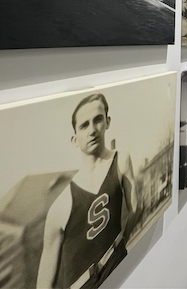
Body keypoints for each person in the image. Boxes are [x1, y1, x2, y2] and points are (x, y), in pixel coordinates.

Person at [37, 94, 139, 289]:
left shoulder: (121, 162)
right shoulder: (61, 205)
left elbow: (135, 207)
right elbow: (44, 283)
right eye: (84, 125)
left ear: (107, 122)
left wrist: (121, 246)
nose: (92, 130)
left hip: (119, 264)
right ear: (74, 138)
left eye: (98, 120)